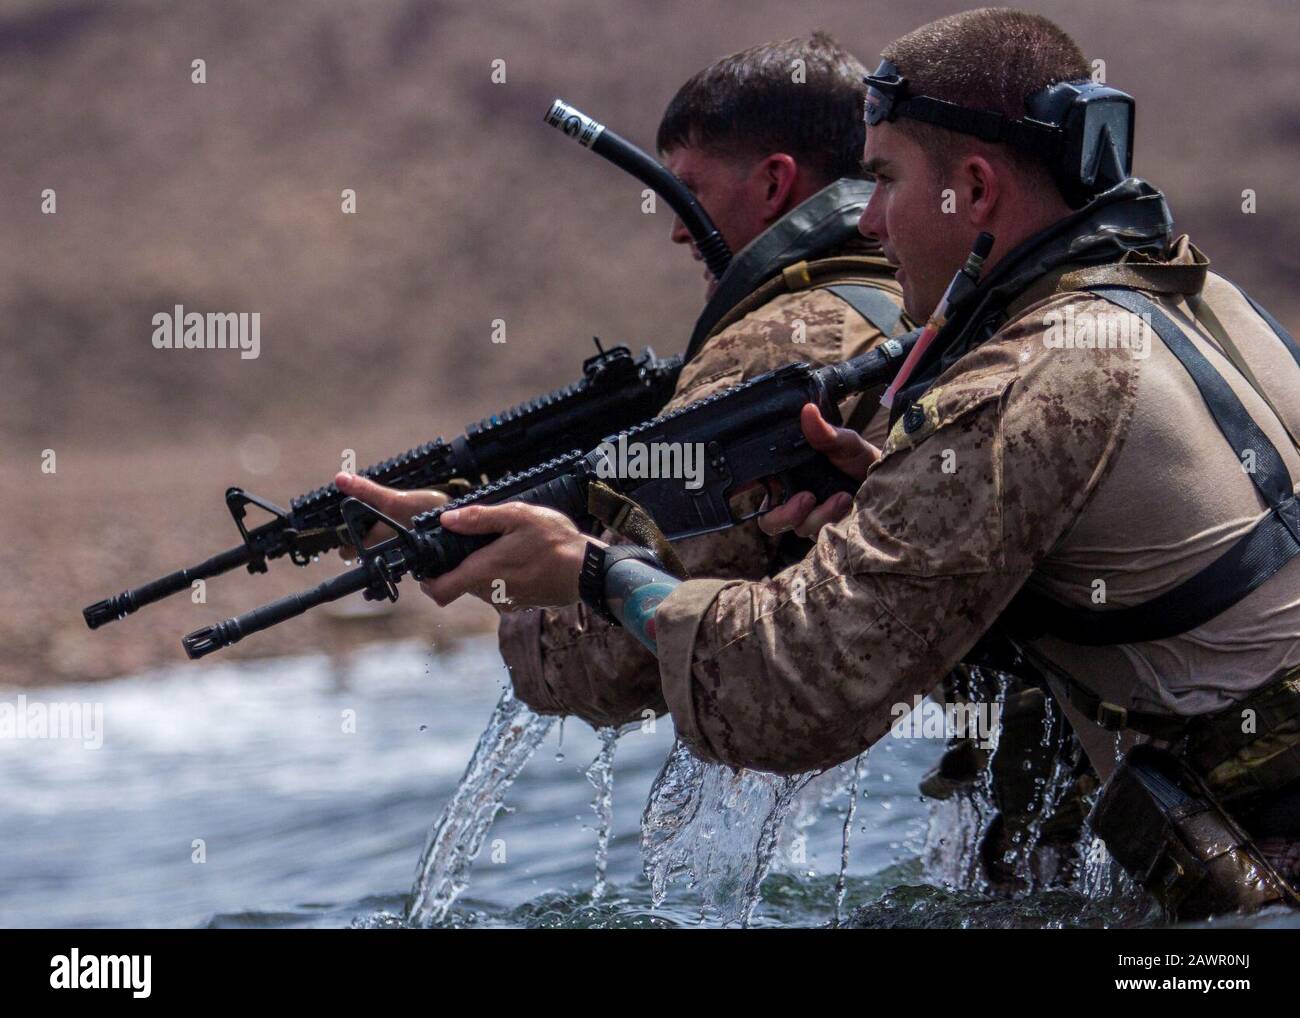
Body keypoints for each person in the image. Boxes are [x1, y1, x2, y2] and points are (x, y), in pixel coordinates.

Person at [414, 9, 1300, 919]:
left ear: (976, 190)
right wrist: (885, 492)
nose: (867, 219)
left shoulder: (1024, 380)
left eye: (883, 179)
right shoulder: (1200, 300)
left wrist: (595, 576)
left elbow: (799, 688)